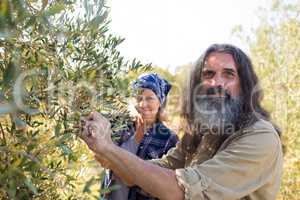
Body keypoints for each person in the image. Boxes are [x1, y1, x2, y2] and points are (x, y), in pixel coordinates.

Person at [80, 44, 283, 200]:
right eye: (208, 74)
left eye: (228, 74)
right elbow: (164, 166)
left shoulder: (260, 137)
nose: (217, 83)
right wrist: (108, 155)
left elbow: (178, 189)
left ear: (245, 85)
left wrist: (110, 151)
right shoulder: (203, 132)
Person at [100, 73, 178, 200]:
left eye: (149, 98)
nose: (143, 104)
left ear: (160, 102)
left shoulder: (168, 139)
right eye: (139, 98)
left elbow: (166, 185)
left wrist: (113, 163)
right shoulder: (120, 127)